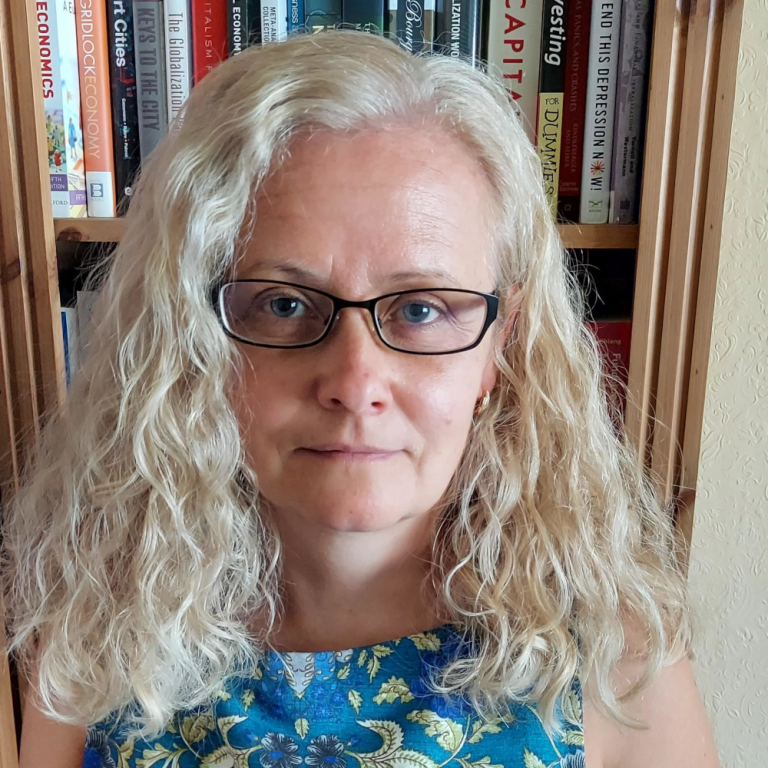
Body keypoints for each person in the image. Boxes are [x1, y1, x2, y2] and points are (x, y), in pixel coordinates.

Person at [1, 29, 720, 768]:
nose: (354, 384)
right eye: (283, 304)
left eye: (421, 309)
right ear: (191, 337)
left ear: (499, 346)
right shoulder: (98, 635)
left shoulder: (615, 659)